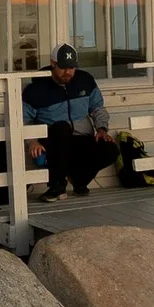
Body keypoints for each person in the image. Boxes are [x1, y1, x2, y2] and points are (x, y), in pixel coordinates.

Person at [21, 44, 115, 202]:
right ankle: (57, 186)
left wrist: (101, 129)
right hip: (53, 140)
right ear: (53, 64)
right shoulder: (36, 88)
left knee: (110, 149)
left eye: (72, 67)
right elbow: (25, 119)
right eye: (64, 68)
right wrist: (32, 141)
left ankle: (79, 180)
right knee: (62, 128)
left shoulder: (85, 80)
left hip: (81, 138)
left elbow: (97, 108)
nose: (68, 72)